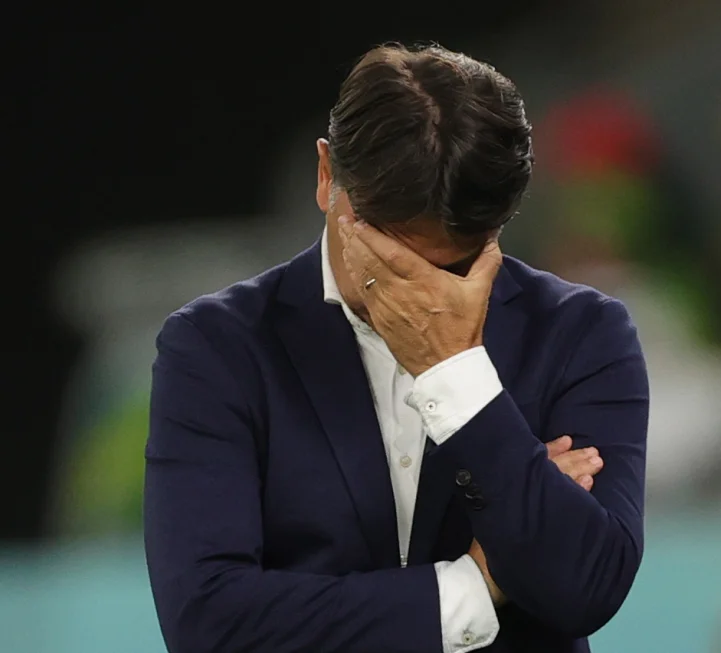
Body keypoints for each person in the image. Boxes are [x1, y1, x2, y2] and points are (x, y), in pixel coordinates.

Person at [143, 43, 649, 653]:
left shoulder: (579, 333)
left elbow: (587, 587)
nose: (419, 291)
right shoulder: (217, 347)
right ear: (328, 176)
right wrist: (473, 586)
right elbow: (209, 625)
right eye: (388, 250)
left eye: (455, 266)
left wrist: (457, 374)